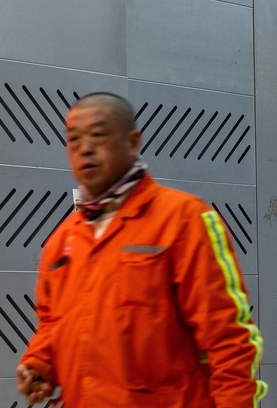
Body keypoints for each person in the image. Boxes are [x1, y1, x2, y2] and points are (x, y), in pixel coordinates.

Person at [17, 93, 268, 406]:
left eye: (98, 134)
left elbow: (230, 339)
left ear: (133, 142)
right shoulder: (61, 242)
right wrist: (39, 364)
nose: (85, 148)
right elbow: (53, 325)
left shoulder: (185, 220)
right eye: (74, 139)